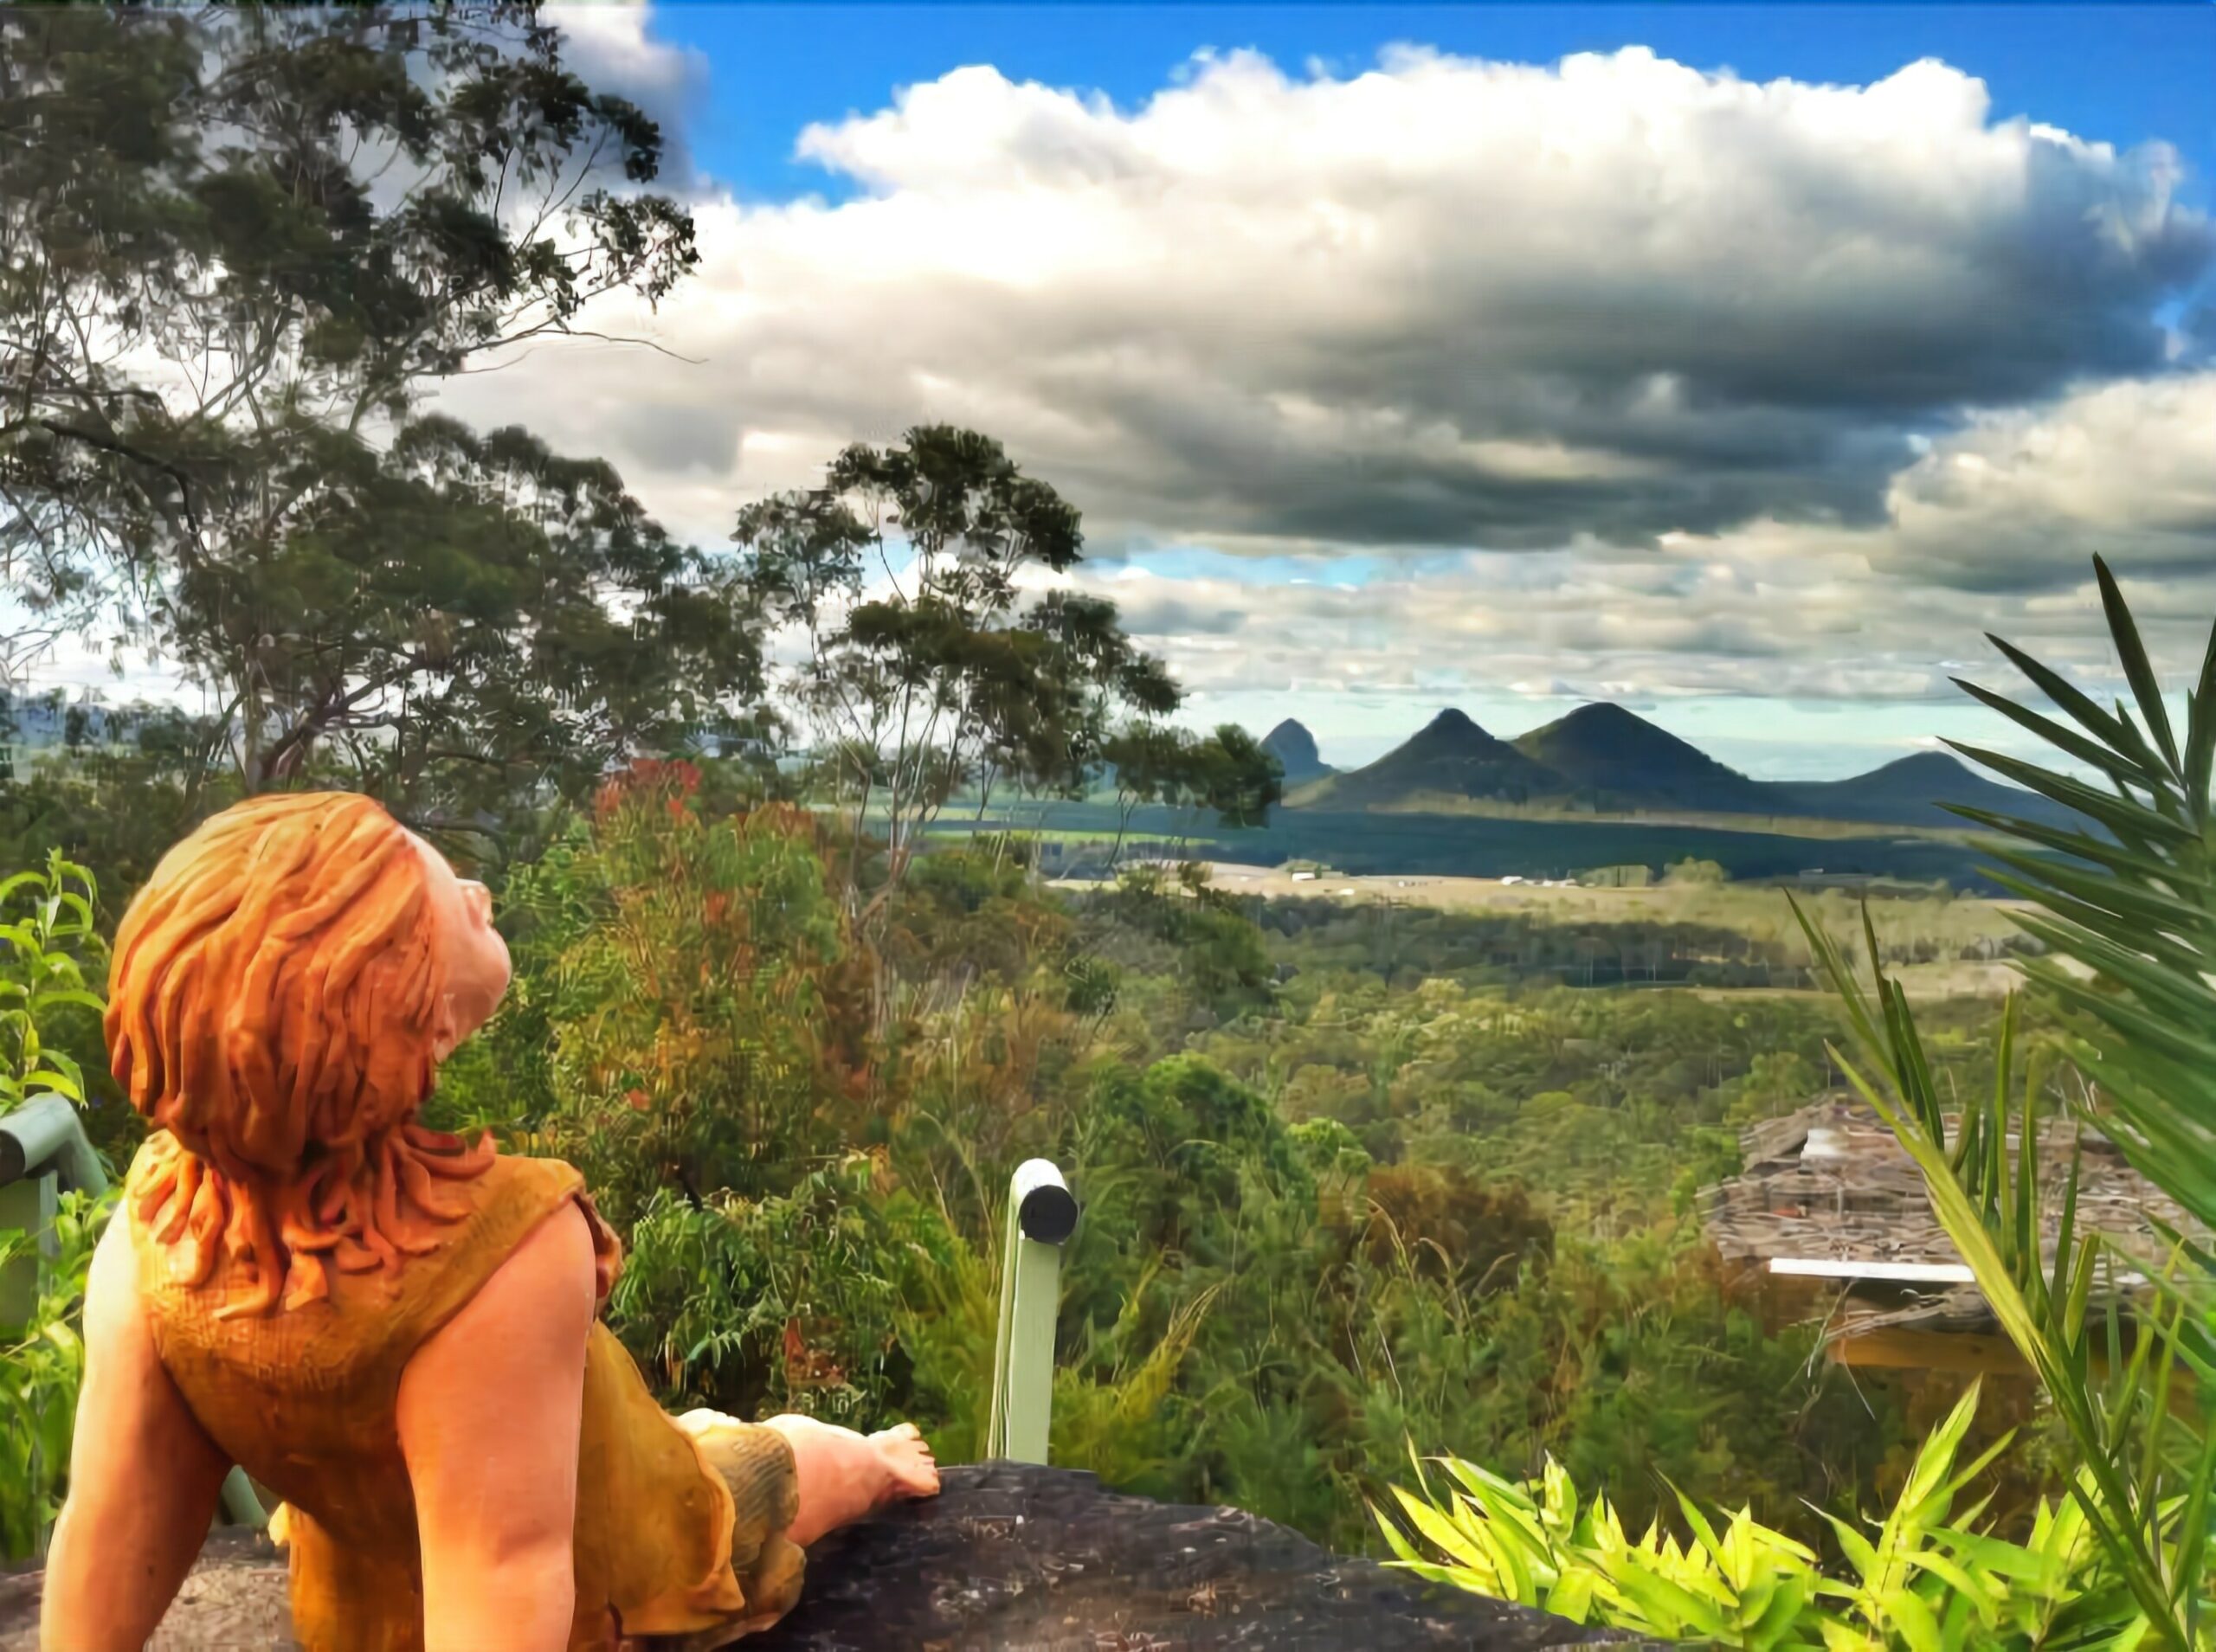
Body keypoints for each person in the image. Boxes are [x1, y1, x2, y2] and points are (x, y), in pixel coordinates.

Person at [40, 792, 938, 1651]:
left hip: (413, 1584)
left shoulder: (158, 1230)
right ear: (420, 1027)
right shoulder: (496, 1253)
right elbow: (504, 1568)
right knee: (751, 1475)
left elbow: (113, 1520)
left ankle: (869, 1457)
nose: (482, 891)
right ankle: (815, 1448)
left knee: (755, 1454)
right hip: (612, 1589)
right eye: (461, 911)